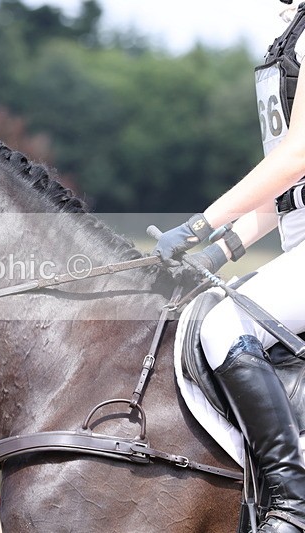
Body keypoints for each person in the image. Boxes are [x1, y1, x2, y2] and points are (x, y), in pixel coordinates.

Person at [154, 1, 305, 531]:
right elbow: (284, 191)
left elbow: (296, 157)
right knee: (203, 309)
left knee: (226, 324)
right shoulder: (289, 35)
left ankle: (292, 504)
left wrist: (200, 224)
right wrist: (212, 253)